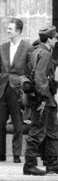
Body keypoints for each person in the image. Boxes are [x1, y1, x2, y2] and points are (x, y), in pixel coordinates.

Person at [23, 25, 58, 176]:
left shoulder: (37, 51)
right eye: (55, 38)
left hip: (44, 100)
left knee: (54, 131)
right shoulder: (45, 54)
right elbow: (40, 78)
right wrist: (43, 98)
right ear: (49, 39)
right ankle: (29, 165)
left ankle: (52, 163)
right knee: (37, 132)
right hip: (43, 100)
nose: (56, 40)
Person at [0, 18, 34, 163]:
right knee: (0, 122)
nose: (7, 31)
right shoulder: (2, 47)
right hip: (2, 88)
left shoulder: (27, 47)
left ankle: (16, 155)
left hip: (18, 89)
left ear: (18, 31)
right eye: (7, 28)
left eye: (10, 29)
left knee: (18, 124)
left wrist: (25, 84)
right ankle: (1, 154)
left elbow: (31, 69)